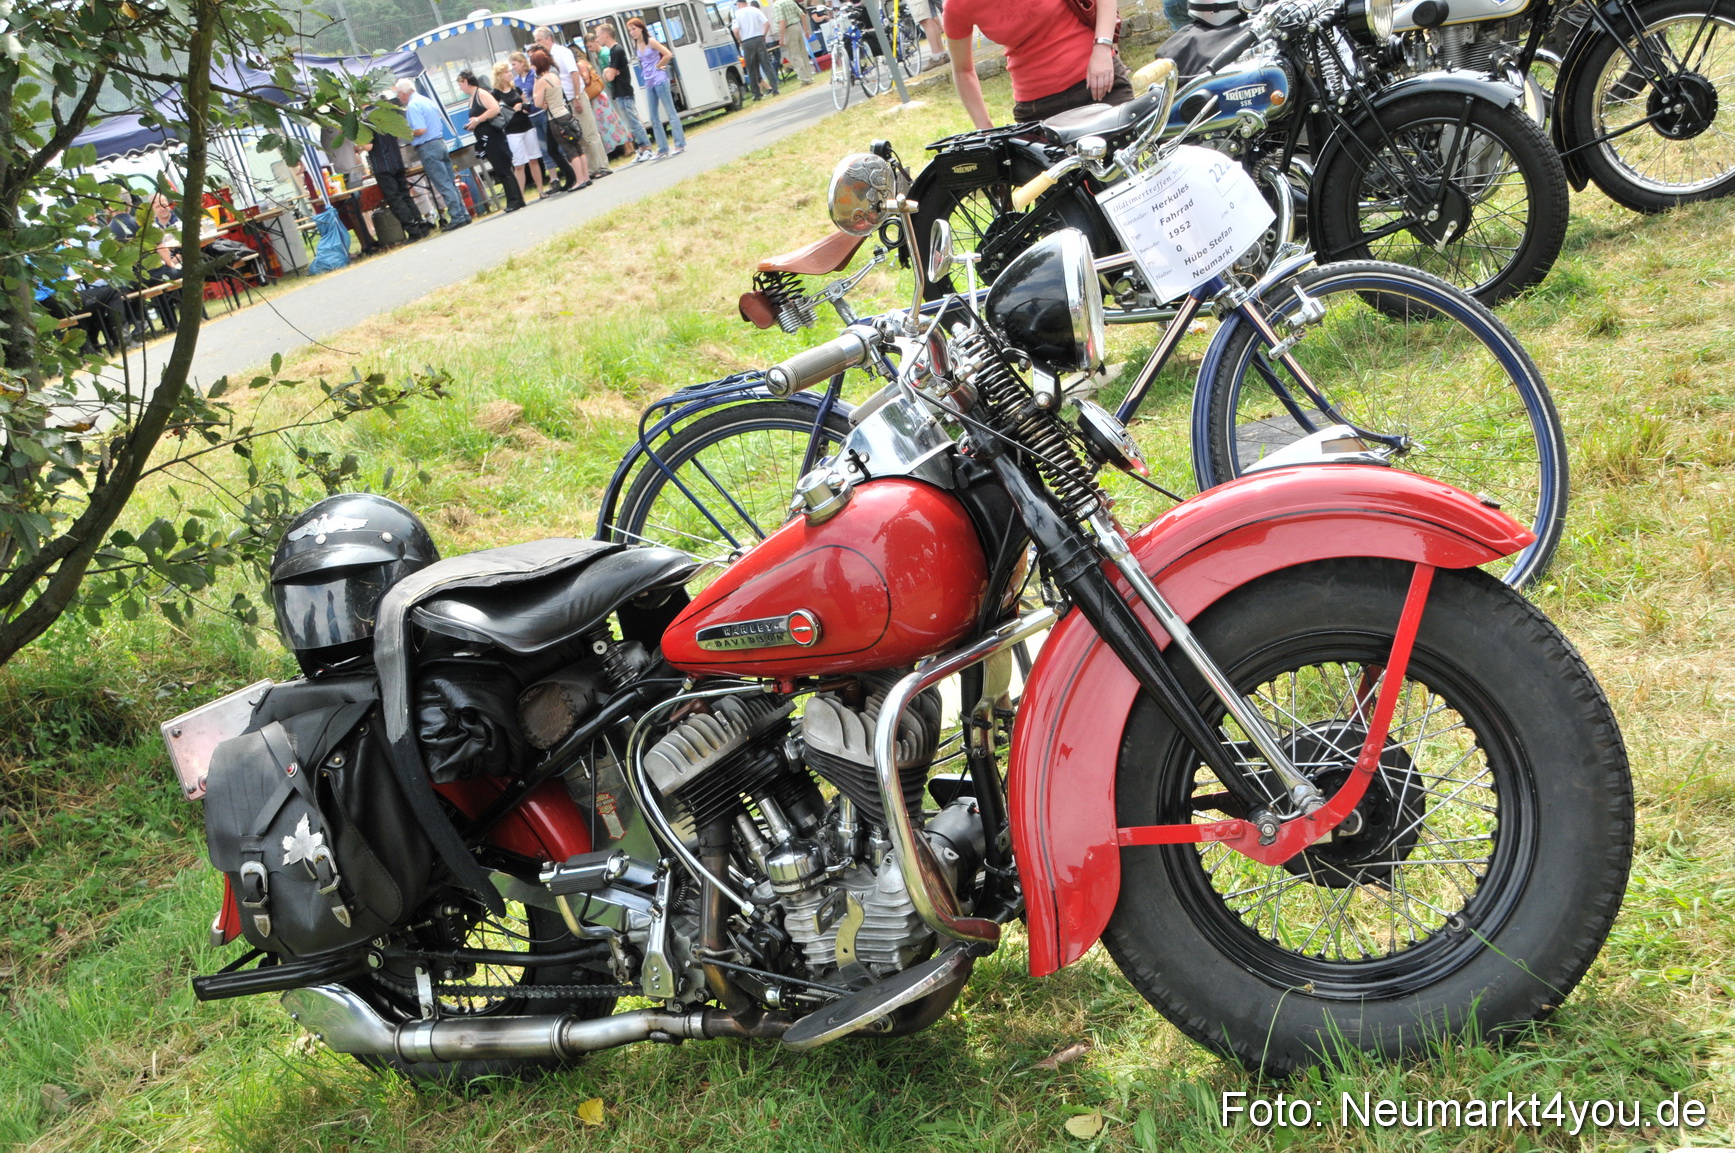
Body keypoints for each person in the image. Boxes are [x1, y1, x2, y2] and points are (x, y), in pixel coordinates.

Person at [944, 0, 1131, 128]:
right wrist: (985, 129)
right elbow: (963, 71)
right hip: (1037, 108)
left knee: (1129, 177)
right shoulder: (958, 6)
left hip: (1100, 84)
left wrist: (1102, 47)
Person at [392, 77, 471, 230]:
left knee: (443, 184)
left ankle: (457, 216)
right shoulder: (426, 100)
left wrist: (404, 133)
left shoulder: (413, 106)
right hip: (440, 142)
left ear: (402, 93)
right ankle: (464, 213)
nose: (399, 99)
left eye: (398, 95)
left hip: (427, 146)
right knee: (450, 180)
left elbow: (421, 130)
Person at [534, 26, 612, 181]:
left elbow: (574, 74)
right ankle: (590, 169)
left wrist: (577, 96)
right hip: (564, 101)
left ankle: (603, 166)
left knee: (589, 132)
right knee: (577, 135)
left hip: (574, 96)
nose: (537, 43)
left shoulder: (562, 52)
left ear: (548, 38)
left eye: (539, 40)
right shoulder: (548, 56)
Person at [358, 109, 432, 242]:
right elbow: (398, 137)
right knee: (406, 195)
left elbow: (368, 146)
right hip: (397, 161)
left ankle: (412, 230)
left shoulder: (366, 123)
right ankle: (421, 225)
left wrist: (357, 140)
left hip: (382, 165)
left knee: (395, 199)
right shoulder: (390, 119)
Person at [458, 70, 526, 213]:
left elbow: (494, 109)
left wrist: (478, 119)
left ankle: (514, 200)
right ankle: (517, 199)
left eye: (460, 84)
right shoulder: (472, 98)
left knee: (503, 167)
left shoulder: (481, 93)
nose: (460, 88)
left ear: (465, 81)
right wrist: (473, 124)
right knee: (500, 168)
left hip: (494, 136)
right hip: (484, 137)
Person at [530, 47, 593, 189]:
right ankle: (586, 177)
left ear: (537, 64)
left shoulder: (542, 80)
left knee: (569, 150)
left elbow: (537, 102)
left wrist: (536, 90)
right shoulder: (554, 76)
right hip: (565, 112)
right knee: (577, 147)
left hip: (555, 118)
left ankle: (579, 180)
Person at [320, 122, 383, 255]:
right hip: (344, 171)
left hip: (349, 168)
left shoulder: (331, 127)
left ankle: (367, 240)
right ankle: (366, 242)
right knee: (353, 208)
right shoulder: (334, 126)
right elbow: (361, 142)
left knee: (357, 207)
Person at [627, 16, 686, 158]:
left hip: (660, 79)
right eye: (630, 30)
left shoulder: (651, 41)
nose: (632, 32)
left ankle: (679, 143)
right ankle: (662, 148)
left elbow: (668, 54)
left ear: (641, 28)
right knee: (653, 117)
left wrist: (659, 65)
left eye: (634, 29)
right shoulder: (635, 45)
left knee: (670, 112)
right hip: (648, 82)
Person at [593, 23, 653, 162]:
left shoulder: (616, 50)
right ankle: (640, 148)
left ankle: (647, 148)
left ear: (605, 35)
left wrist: (607, 72)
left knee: (633, 122)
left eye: (598, 36)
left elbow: (610, 76)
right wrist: (607, 72)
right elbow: (609, 73)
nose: (597, 39)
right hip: (618, 92)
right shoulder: (611, 51)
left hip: (624, 90)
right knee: (630, 123)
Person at [492, 62, 547, 201]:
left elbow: (527, 104)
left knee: (534, 159)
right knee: (519, 164)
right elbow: (497, 113)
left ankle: (541, 190)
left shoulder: (516, 88)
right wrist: (512, 109)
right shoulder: (495, 94)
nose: (510, 74)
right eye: (506, 72)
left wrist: (523, 106)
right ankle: (520, 196)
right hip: (511, 131)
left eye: (509, 71)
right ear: (499, 76)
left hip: (526, 125)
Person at [579, 46, 632, 159]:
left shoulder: (580, 65)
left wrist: (577, 80)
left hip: (596, 99)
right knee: (615, 122)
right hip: (600, 97)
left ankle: (627, 148)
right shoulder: (586, 62)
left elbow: (586, 79)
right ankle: (629, 147)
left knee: (610, 125)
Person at [732, 0, 779, 98]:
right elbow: (767, 23)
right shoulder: (754, 10)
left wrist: (739, 40)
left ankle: (756, 94)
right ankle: (775, 89)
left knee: (751, 68)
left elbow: (736, 30)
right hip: (759, 38)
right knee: (766, 65)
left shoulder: (737, 14)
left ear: (739, 4)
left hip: (747, 41)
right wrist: (763, 35)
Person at [769, 0, 814, 85]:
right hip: (797, 26)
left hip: (788, 29)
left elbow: (782, 21)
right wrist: (806, 29)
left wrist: (781, 38)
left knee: (794, 55)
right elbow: (802, 14)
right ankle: (809, 76)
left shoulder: (776, 5)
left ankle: (805, 80)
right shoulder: (789, 1)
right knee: (803, 53)